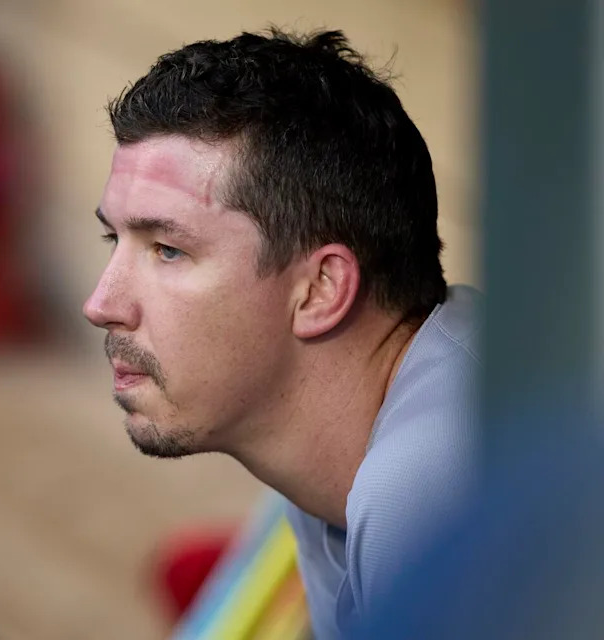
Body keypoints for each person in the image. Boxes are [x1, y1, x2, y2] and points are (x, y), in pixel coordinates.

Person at [82, 28, 481, 638]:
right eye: (116, 240)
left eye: (167, 249)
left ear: (320, 289)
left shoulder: (433, 487)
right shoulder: (345, 451)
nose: (101, 304)